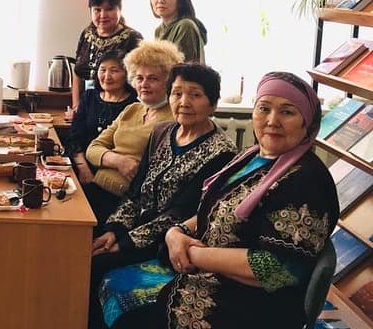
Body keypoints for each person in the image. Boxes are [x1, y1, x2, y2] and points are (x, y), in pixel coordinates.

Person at [110, 72, 340, 329]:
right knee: (114, 294)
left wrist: (194, 254)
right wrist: (176, 232)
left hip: (251, 305)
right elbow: (215, 210)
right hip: (210, 276)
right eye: (264, 108)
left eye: (287, 112)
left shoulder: (306, 181)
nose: (272, 121)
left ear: (307, 122)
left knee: (130, 320)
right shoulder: (251, 156)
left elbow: (275, 269)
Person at [88, 63, 238, 328]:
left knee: (95, 266)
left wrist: (125, 242)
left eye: (195, 95)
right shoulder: (162, 132)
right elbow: (136, 191)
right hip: (133, 228)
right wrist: (114, 229)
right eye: (177, 93)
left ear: (213, 104)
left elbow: (182, 212)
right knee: (86, 244)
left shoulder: (221, 152)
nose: (184, 102)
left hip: (168, 242)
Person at [84, 40, 183, 225]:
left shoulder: (174, 119)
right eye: (139, 78)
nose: (144, 84)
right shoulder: (132, 109)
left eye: (152, 79)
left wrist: (108, 158)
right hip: (97, 189)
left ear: (168, 82)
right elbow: (93, 148)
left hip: (125, 204)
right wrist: (119, 161)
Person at [68, 50, 138, 186]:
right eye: (103, 70)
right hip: (81, 163)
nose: (107, 76)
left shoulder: (134, 105)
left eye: (114, 71)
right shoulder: (89, 96)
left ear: (127, 74)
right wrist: (83, 168)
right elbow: (75, 138)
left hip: (115, 172)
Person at [72, 0, 143, 115]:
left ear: (120, 10)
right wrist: (76, 105)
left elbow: (139, 77)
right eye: (97, 10)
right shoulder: (87, 34)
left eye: (109, 9)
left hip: (119, 108)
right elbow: (77, 72)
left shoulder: (133, 38)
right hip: (86, 106)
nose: (103, 15)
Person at [149, 0, 207, 64]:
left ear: (181, 0)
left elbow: (180, 66)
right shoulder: (159, 30)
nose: (160, 0)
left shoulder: (185, 26)